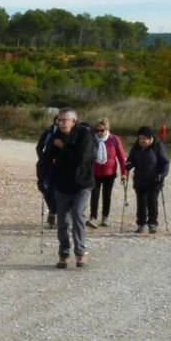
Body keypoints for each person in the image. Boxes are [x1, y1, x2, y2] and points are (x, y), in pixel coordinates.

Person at [41, 107, 95, 268]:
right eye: (59, 120)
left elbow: (82, 158)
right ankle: (64, 253)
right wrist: (42, 178)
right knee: (63, 222)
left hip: (82, 184)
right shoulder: (55, 136)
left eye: (65, 120)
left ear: (74, 121)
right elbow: (45, 157)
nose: (62, 123)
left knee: (78, 214)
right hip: (62, 184)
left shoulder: (84, 135)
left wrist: (63, 147)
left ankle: (80, 252)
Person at [125, 125, 171, 233]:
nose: (142, 141)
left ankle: (152, 224)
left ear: (150, 138)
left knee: (152, 202)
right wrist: (129, 165)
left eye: (144, 138)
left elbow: (165, 163)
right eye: (140, 138)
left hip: (155, 180)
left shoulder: (158, 146)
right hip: (140, 179)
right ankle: (141, 224)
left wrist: (162, 174)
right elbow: (130, 160)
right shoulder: (136, 146)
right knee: (141, 203)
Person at [87, 118, 128, 229]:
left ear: (107, 129)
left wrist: (124, 172)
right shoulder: (92, 139)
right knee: (94, 195)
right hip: (95, 172)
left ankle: (105, 217)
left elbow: (121, 156)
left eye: (102, 130)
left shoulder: (114, 139)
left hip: (109, 173)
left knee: (106, 195)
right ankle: (93, 217)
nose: (99, 133)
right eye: (97, 130)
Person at [35, 117, 58, 228]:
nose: (61, 122)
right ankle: (53, 211)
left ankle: (58, 215)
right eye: (59, 120)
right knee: (46, 190)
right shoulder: (48, 132)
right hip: (46, 166)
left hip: (62, 167)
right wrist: (44, 158)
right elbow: (39, 147)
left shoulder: (72, 134)